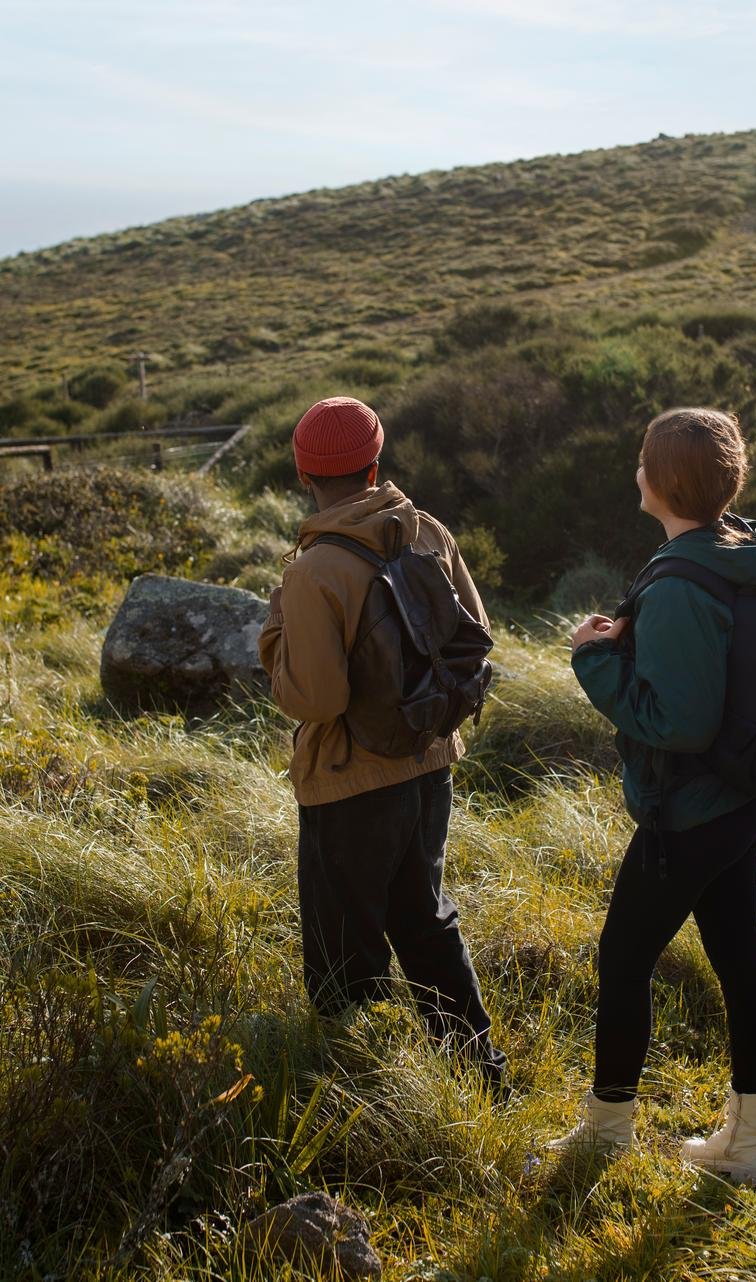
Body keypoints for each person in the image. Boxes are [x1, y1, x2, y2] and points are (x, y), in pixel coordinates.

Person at [546, 406, 756, 1188]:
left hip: (690, 811)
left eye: (642, 460)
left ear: (661, 481)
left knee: (622, 959)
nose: (634, 470)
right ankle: (747, 1147)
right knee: (736, 958)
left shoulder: (684, 581)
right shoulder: (740, 552)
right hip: (740, 799)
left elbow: (678, 722)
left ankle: (605, 1133)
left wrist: (593, 661)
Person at [257, 395, 509, 1091]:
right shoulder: (427, 530)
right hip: (430, 763)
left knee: (345, 950)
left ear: (305, 476)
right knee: (425, 918)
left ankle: (360, 1094)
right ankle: (480, 1073)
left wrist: (274, 635)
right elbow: (474, 637)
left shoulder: (313, 572)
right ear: (376, 464)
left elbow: (315, 700)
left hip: (347, 783)